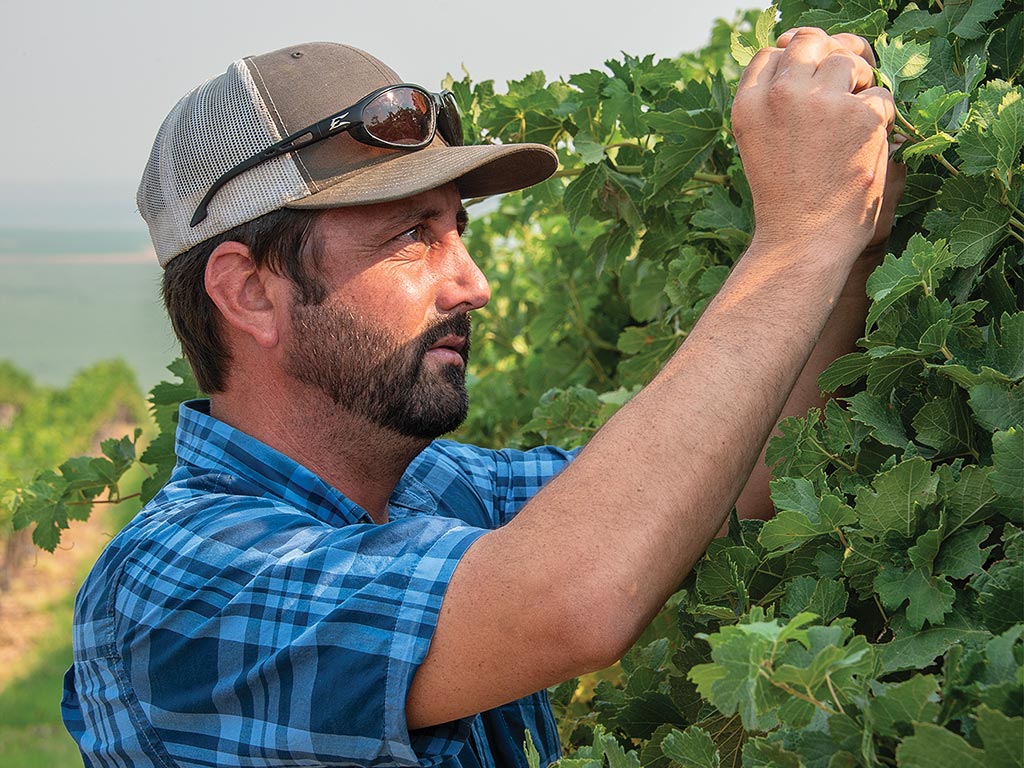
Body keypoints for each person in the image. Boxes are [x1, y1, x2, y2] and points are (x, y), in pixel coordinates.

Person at [62, 29, 902, 768]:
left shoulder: (436, 488)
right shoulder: (173, 587)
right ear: (248, 292)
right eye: (411, 237)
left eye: (458, 228)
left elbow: (732, 482)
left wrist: (853, 248)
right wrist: (798, 236)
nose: (473, 284)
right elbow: (573, 601)